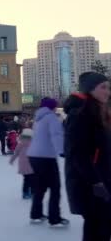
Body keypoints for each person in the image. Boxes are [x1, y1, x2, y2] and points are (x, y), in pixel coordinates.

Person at [64, 72, 111, 240]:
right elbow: (78, 153)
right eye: (103, 87)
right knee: (98, 228)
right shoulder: (81, 115)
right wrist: (96, 182)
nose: (108, 92)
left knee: (100, 227)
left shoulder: (100, 112)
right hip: (92, 185)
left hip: (103, 179)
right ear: (90, 90)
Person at [27, 97, 68, 227]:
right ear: (52, 107)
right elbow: (56, 134)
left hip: (33, 156)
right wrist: (62, 151)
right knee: (55, 188)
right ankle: (54, 218)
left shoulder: (38, 118)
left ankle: (36, 214)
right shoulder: (51, 117)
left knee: (39, 187)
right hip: (46, 157)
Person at [9, 128, 34, 199]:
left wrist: (12, 160)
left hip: (23, 165)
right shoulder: (34, 143)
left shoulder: (20, 144)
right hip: (32, 164)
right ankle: (32, 192)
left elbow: (16, 153)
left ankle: (25, 193)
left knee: (26, 179)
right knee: (33, 179)